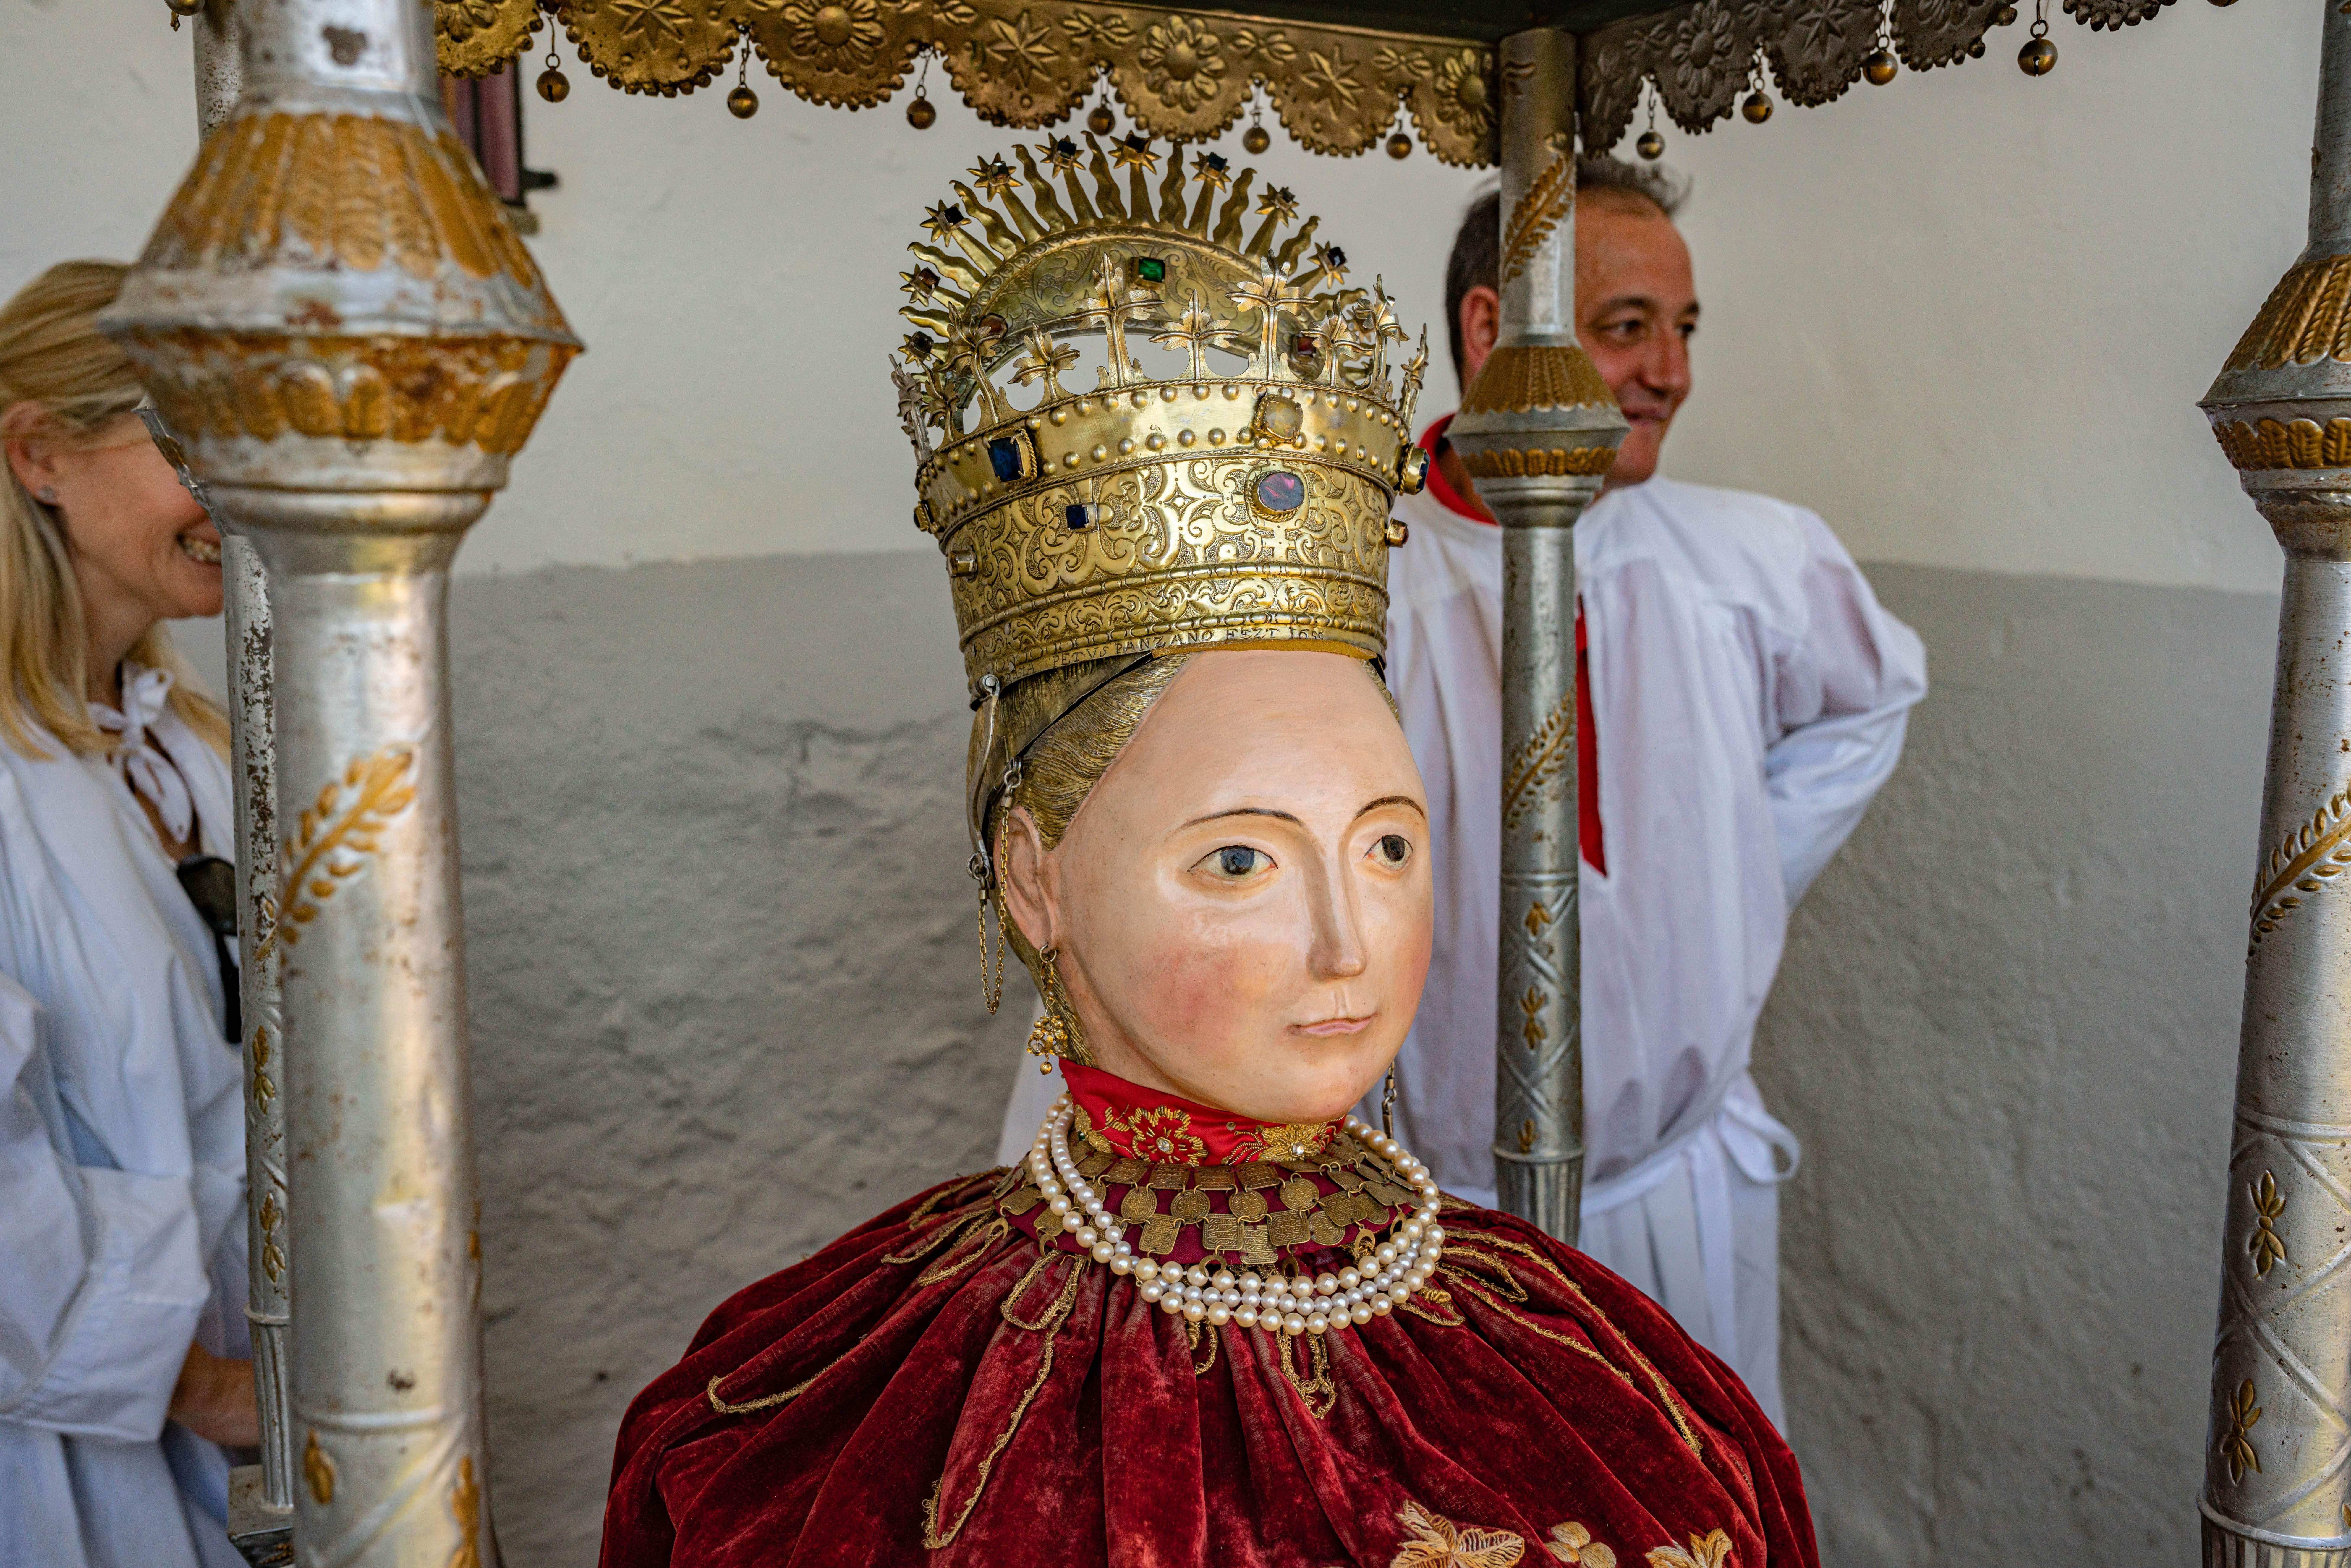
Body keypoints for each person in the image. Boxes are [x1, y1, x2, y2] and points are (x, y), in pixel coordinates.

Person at [602, 148, 1817, 1567]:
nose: (1346, 946)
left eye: (1387, 845)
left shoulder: (1611, 1375)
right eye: (1237, 863)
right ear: (1034, 877)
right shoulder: (813, 1421)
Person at [1377, 164, 1928, 1428]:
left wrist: (1724, 882)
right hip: (1426, 1221)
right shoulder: (1353, 591)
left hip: (1678, 1194)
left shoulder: (1750, 560)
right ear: (1488, 331)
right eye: (1626, 327)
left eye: (1681, 331)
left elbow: (1871, 698)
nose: (1669, 374)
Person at [0, 260, 255, 1568]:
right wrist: (204, 1391)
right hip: (62, 1456)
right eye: (185, 432)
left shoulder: (184, 751)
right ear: (40, 454)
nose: (237, 476)